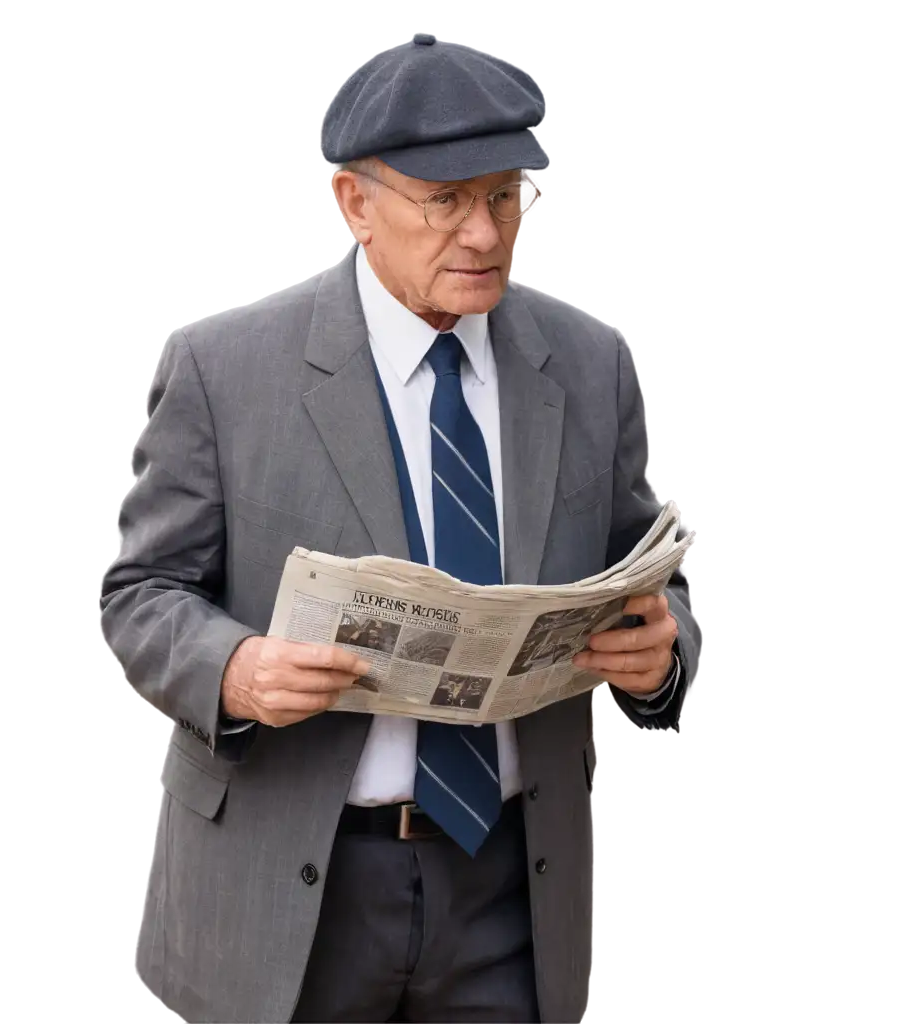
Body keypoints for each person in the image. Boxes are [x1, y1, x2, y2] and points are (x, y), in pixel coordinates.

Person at [98, 31, 697, 1024]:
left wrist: (659, 652)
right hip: (296, 884)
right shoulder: (222, 368)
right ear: (352, 204)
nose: (484, 234)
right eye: (447, 200)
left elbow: (647, 573)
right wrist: (236, 668)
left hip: (510, 888)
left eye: (504, 195)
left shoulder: (593, 365)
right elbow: (140, 594)